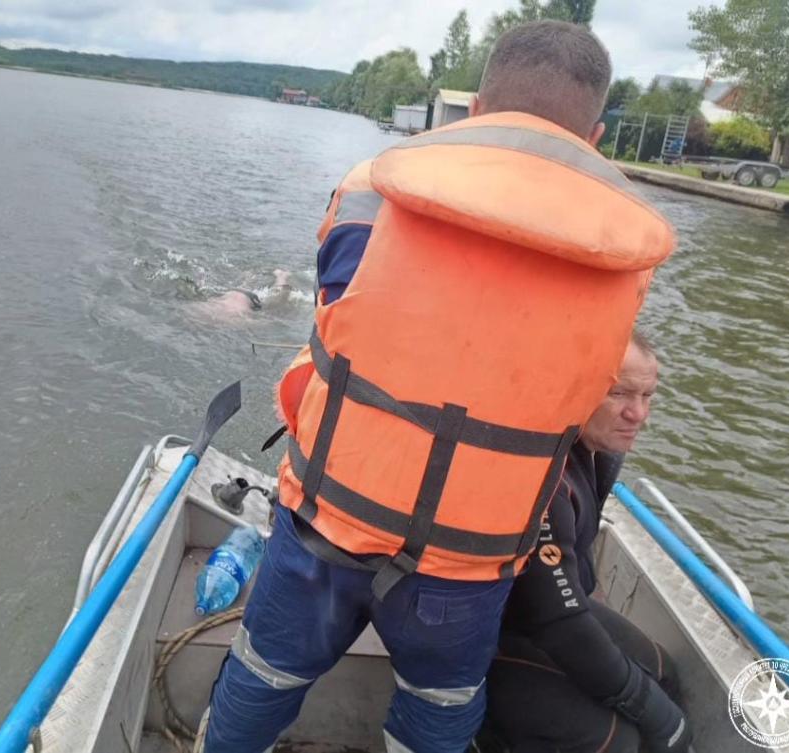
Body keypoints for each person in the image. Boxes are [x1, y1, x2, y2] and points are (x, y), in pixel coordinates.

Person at [201, 21, 676, 753]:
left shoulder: (371, 186)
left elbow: (340, 299)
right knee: (441, 707)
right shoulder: (626, 255)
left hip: (329, 525)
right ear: (599, 135)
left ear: (478, 108)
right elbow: (578, 384)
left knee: (265, 674)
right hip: (468, 565)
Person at [482, 333, 692, 753]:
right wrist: (646, 706)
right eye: (620, 394)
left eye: (649, 395)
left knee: (664, 673)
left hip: (547, 611)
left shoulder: (591, 448)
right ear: (576, 390)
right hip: (492, 635)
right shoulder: (543, 474)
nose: (640, 414)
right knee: (619, 740)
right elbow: (558, 621)